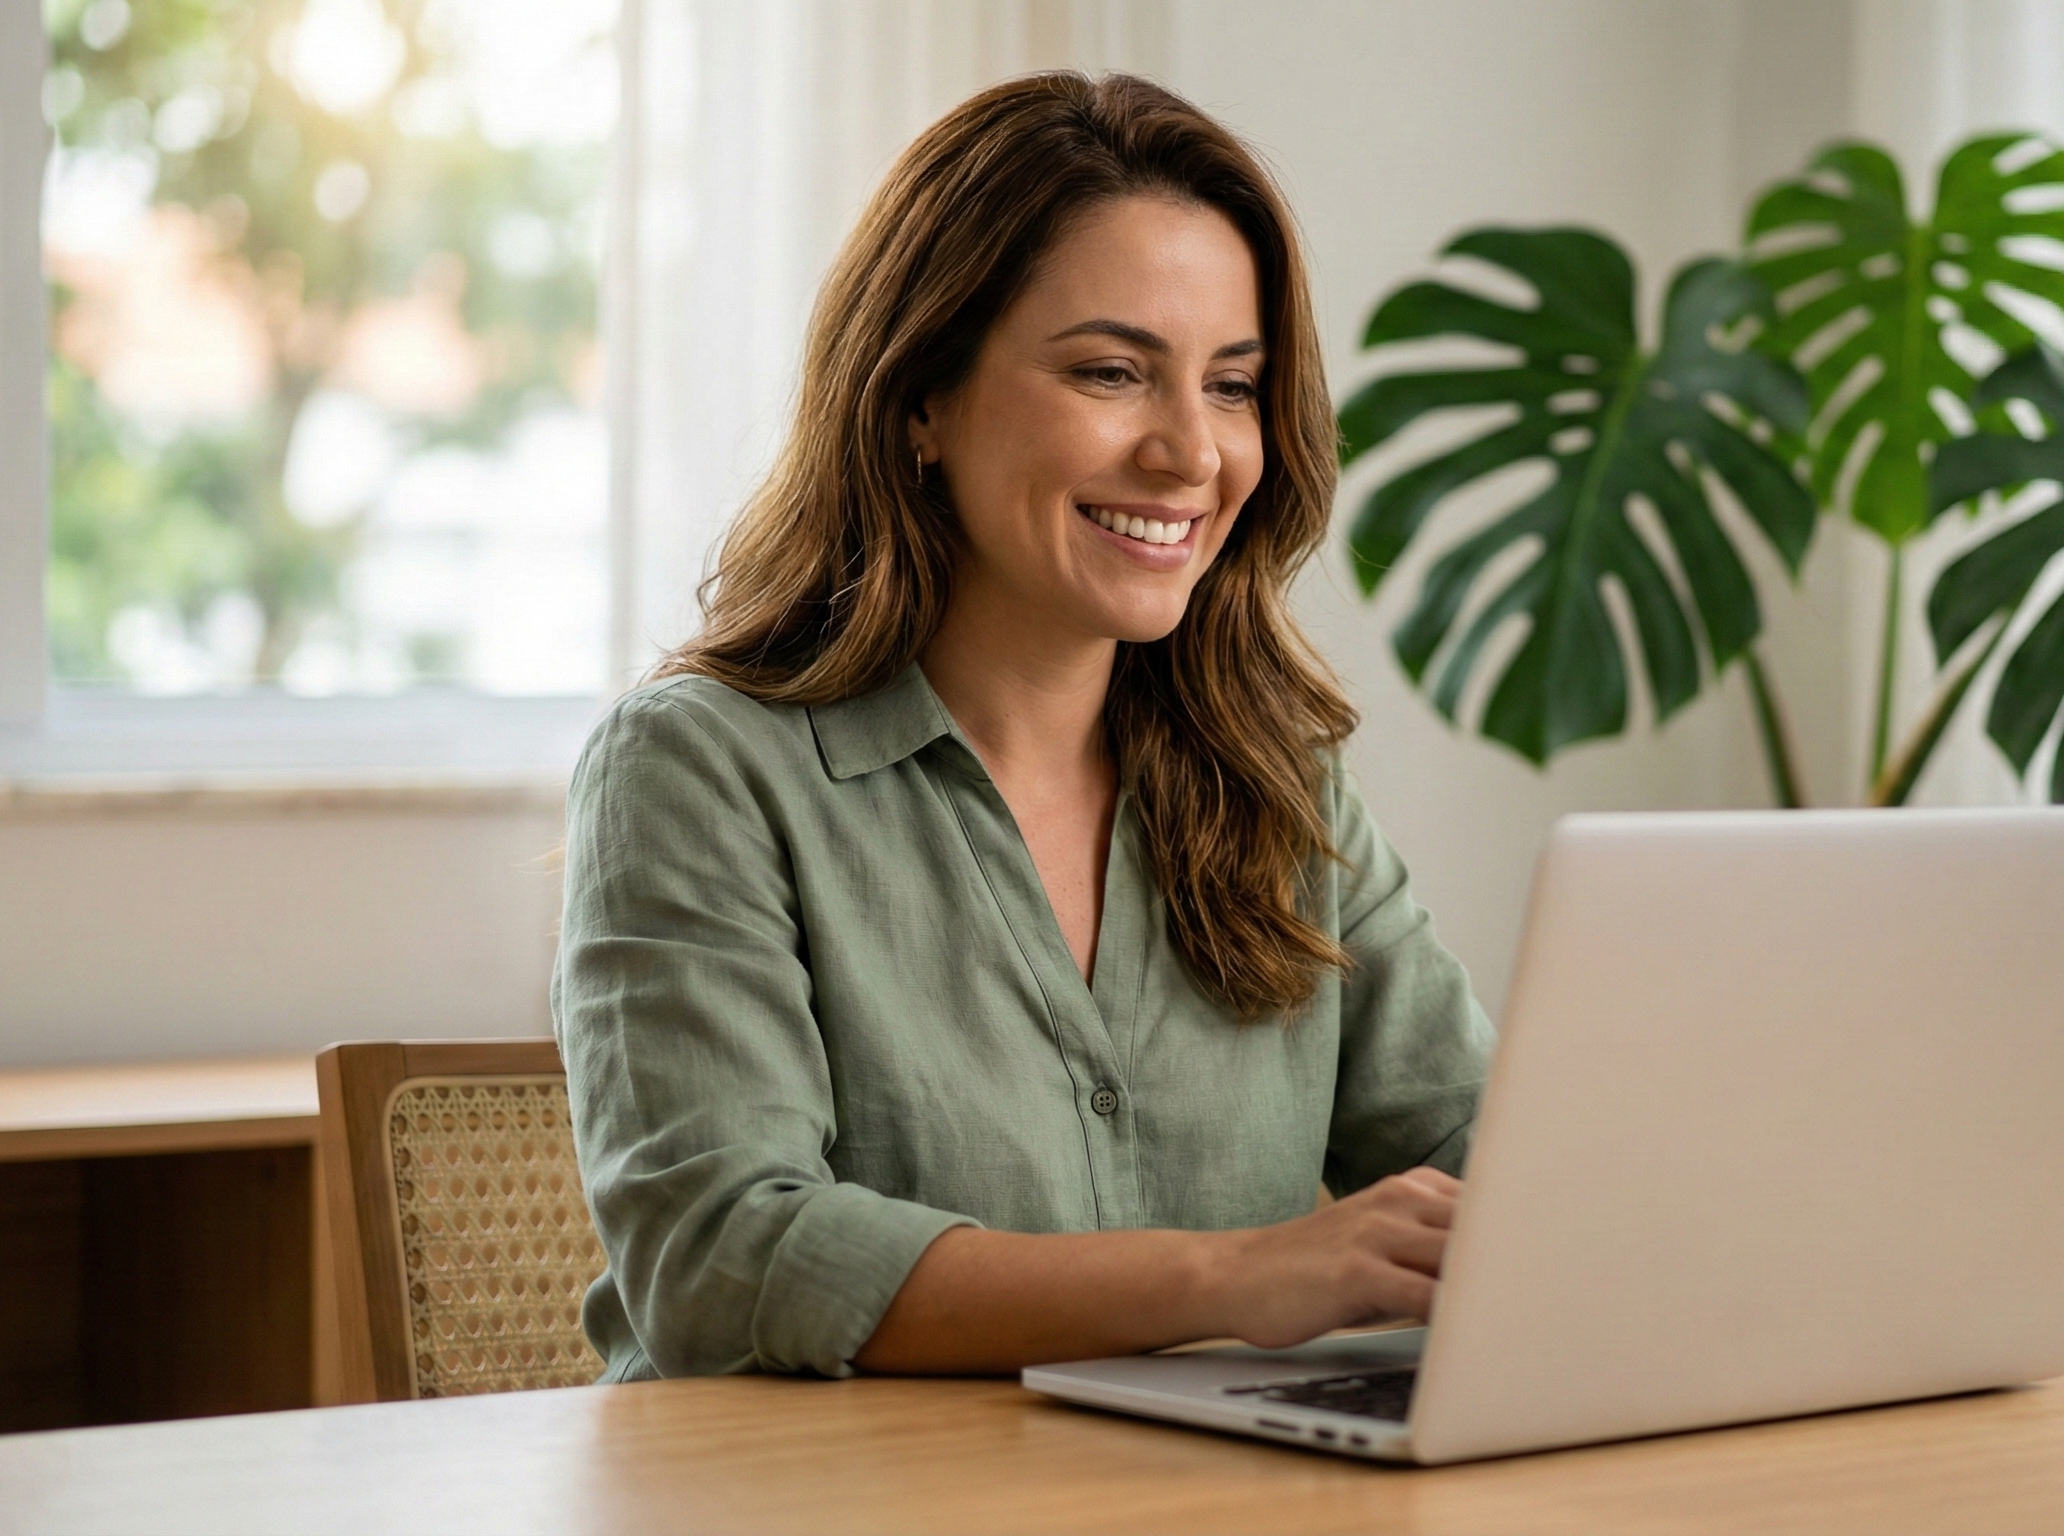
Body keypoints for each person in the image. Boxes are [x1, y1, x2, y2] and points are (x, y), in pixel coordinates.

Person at [554, 71, 1492, 1380]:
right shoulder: (700, 769)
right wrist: (1231, 1278)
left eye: (1231, 385)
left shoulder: (1278, 787)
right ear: (921, 397)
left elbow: (1497, 1163)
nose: (1192, 452)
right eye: (1113, 372)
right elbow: (720, 1257)